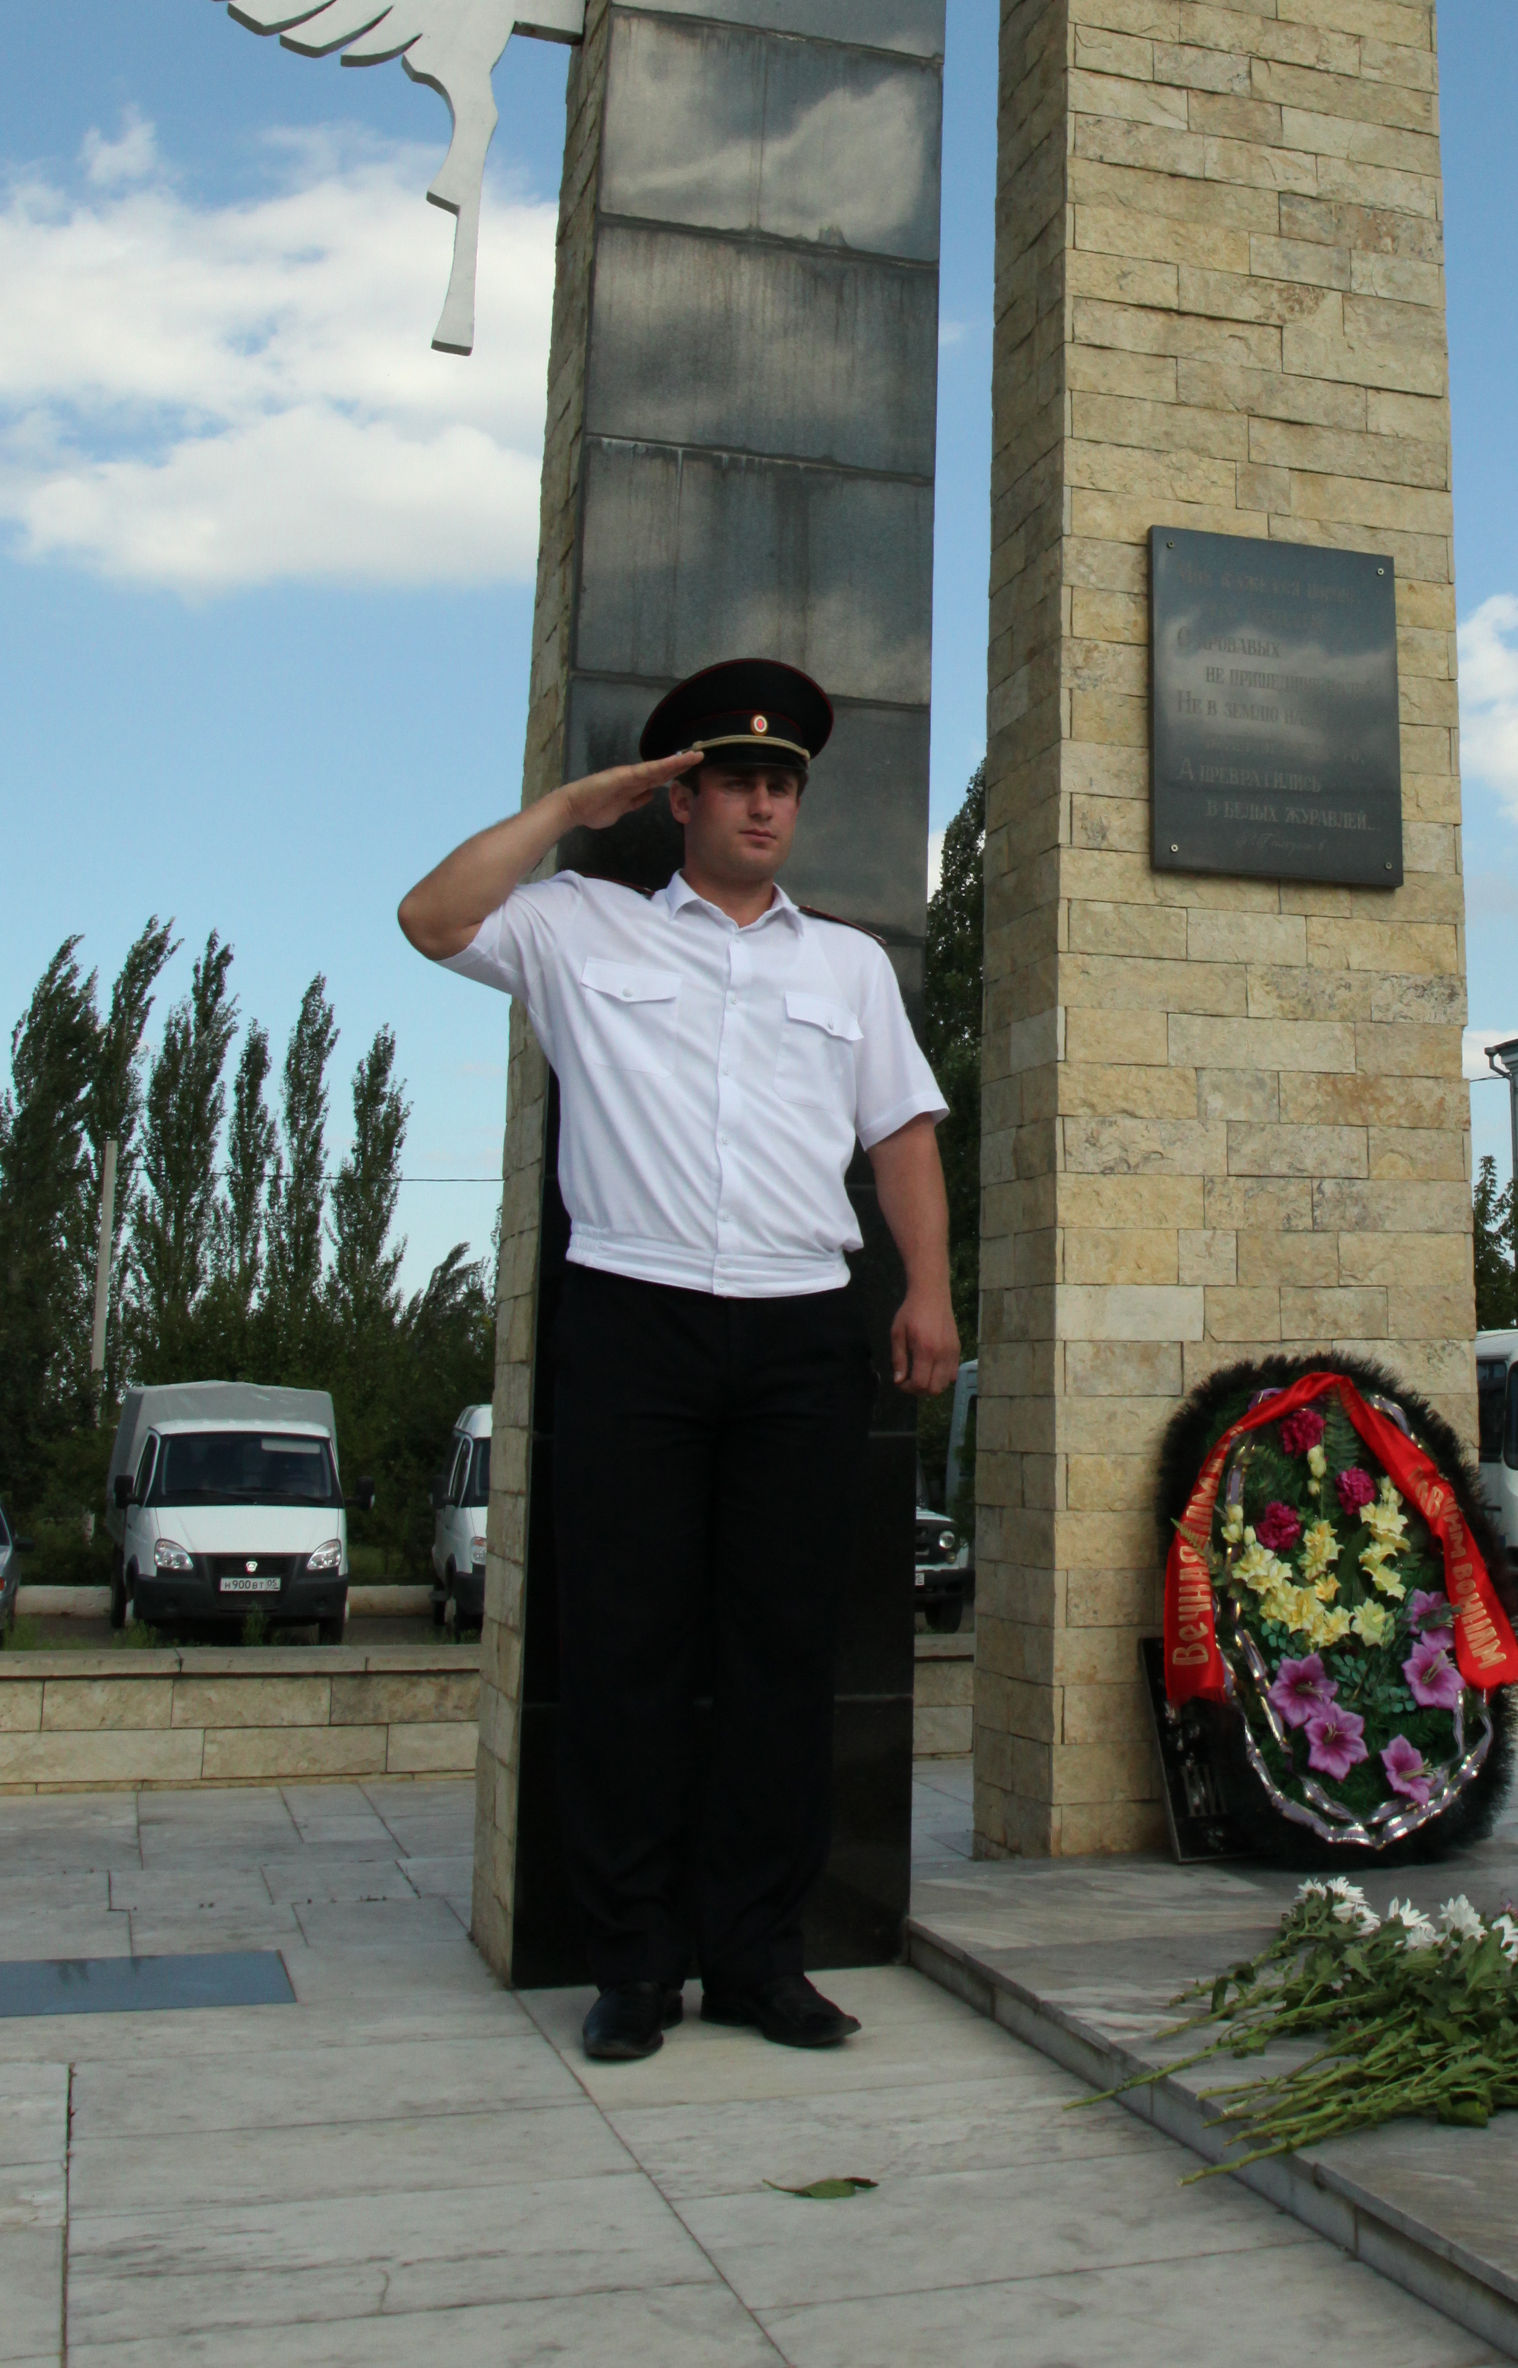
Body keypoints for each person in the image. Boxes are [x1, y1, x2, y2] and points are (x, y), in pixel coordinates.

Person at [400, 657, 958, 2063]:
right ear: (686, 793)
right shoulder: (579, 927)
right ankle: (635, 1961)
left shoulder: (844, 963)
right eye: (740, 779)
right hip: (633, 1317)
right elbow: (430, 914)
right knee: (629, 1652)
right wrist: (577, 806)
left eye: (784, 783)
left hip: (796, 1324)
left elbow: (900, 1135)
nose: (766, 801)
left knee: (779, 1656)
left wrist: (931, 1290)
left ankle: (760, 1953)